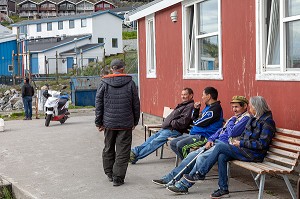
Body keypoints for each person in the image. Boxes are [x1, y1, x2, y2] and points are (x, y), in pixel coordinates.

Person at [167, 96, 276, 198]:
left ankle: (200, 173)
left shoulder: (267, 123)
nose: (250, 109)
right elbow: (241, 134)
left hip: (254, 154)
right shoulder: (254, 119)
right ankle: (223, 189)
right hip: (244, 149)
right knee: (222, 156)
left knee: (220, 147)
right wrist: (237, 141)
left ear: (257, 108)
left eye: (251, 107)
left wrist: (241, 143)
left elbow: (262, 144)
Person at [152, 95, 250, 186]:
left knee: (200, 158)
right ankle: (170, 178)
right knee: (191, 155)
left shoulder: (245, 118)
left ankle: (184, 184)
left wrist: (231, 121)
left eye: (236, 107)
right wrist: (211, 139)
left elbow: (233, 132)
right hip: (215, 142)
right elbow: (221, 130)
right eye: (233, 107)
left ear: (245, 106)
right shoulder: (235, 117)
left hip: (224, 146)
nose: (234, 110)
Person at [95, 59, 140, 187]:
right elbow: (136, 104)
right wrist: (135, 121)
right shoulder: (130, 83)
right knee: (123, 150)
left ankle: (109, 173)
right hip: (125, 123)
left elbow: (99, 103)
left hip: (108, 123)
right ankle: (118, 178)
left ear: (111, 69)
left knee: (108, 147)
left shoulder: (103, 83)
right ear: (122, 69)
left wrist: (99, 122)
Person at [130, 88, 195, 164]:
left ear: (191, 95)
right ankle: (135, 152)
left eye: (185, 94)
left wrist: (171, 122)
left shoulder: (189, 106)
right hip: (167, 128)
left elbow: (183, 121)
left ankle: (134, 157)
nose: (183, 96)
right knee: (150, 139)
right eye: (182, 94)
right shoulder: (184, 104)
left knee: (154, 143)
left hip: (173, 130)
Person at [170, 87, 223, 160]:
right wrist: (196, 109)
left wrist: (195, 116)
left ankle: (187, 166)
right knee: (173, 143)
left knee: (181, 145)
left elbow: (197, 122)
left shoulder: (215, 109)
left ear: (209, 96)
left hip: (205, 137)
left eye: (203, 95)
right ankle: (188, 163)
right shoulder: (208, 107)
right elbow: (196, 120)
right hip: (195, 134)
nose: (202, 97)